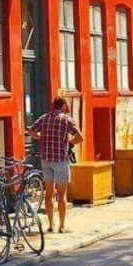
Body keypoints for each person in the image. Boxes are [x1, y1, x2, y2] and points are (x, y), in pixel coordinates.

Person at [28, 98, 83, 233]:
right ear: (63, 106)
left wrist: (41, 137)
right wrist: (70, 142)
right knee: (62, 194)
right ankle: (62, 226)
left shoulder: (44, 118)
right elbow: (80, 137)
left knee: (49, 193)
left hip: (46, 159)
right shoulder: (67, 120)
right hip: (60, 160)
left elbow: (31, 132)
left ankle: (51, 225)